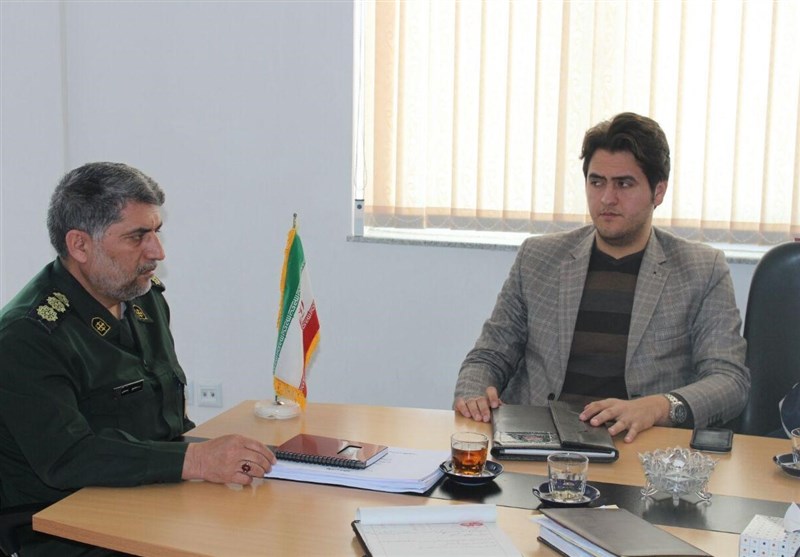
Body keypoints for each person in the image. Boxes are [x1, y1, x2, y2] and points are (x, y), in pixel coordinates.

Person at [0, 162, 276, 556]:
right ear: (79, 245)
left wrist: (213, 459)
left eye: (157, 232)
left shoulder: (143, 299)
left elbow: (168, 423)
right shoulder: (28, 335)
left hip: (151, 496)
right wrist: (197, 460)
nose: (157, 252)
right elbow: (68, 457)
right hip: (63, 528)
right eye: (137, 237)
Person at [454, 112, 750, 443]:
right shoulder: (538, 258)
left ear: (658, 192)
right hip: (539, 442)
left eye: (624, 184)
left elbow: (729, 381)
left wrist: (658, 407)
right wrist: (474, 392)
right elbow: (489, 354)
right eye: (597, 182)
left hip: (639, 446)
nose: (607, 198)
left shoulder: (701, 269)